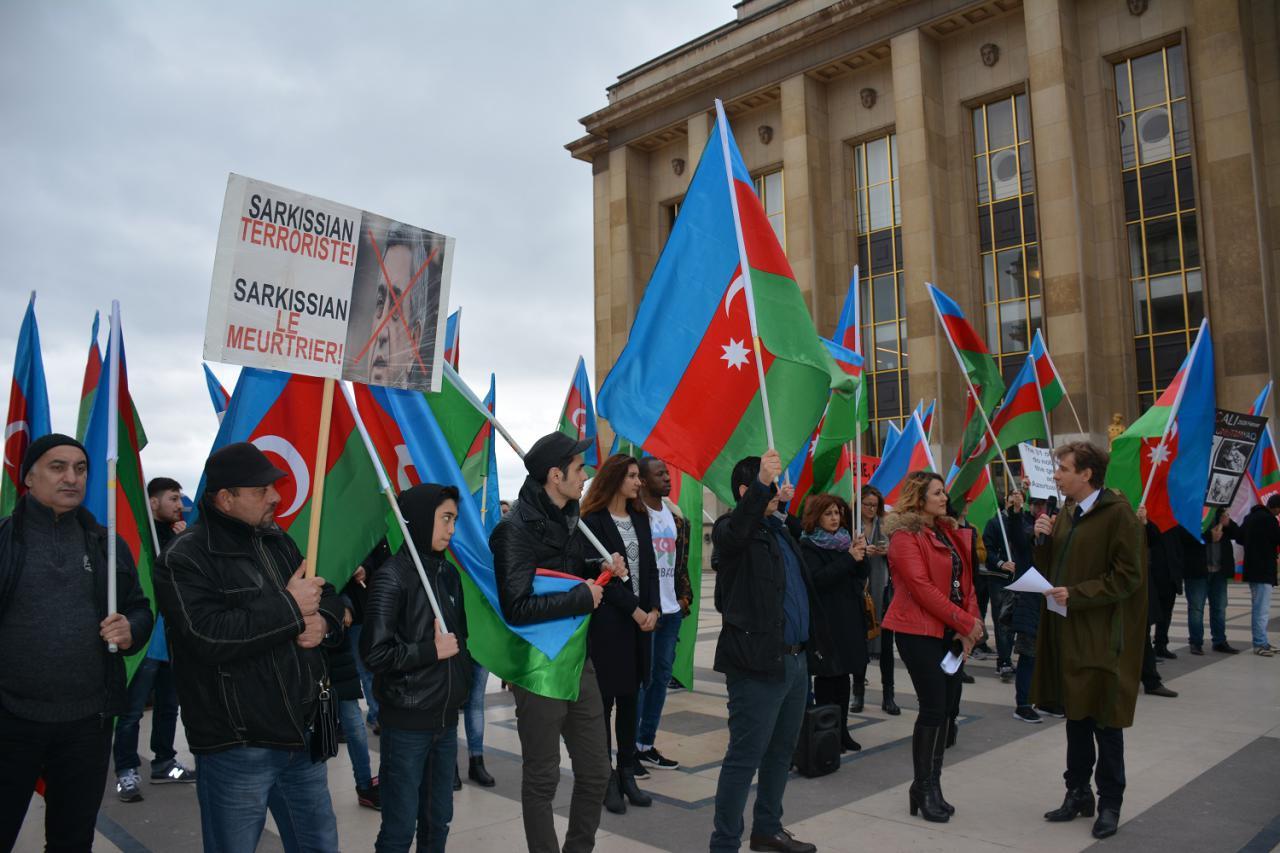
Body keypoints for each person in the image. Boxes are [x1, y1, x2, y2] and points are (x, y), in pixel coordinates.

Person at [154, 442, 345, 853]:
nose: (276, 496)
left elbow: (325, 593)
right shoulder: (184, 557)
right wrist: (291, 608)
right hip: (238, 744)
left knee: (320, 844)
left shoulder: (277, 540)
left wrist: (324, 621)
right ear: (225, 498)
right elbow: (207, 635)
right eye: (262, 490)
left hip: (301, 733)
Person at [0, 434, 153, 852]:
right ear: (29, 476)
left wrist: (130, 630)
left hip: (87, 722)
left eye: (81, 469)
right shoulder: (4, 541)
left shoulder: (106, 544)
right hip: (10, 721)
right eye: (57, 467)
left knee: (72, 840)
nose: (71, 478)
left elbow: (140, 608)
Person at [490, 432, 619, 853]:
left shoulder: (570, 516)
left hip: (578, 662)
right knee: (543, 777)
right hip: (539, 667)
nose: (586, 476)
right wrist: (581, 597)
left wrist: (598, 567)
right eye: (579, 469)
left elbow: (564, 571)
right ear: (555, 474)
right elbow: (517, 607)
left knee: (597, 771)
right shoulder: (513, 531)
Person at [710, 450, 823, 853]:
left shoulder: (778, 530)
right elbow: (734, 532)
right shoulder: (732, 531)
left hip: (794, 660)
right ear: (747, 490)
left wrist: (780, 504)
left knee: (780, 752)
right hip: (756, 662)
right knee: (745, 756)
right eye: (767, 485)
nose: (776, 491)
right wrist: (762, 490)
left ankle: (767, 829)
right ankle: (724, 842)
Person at [1033, 442, 1147, 840]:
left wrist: (1078, 594)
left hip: (1102, 636)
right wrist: (1043, 540)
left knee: (1104, 718)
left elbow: (1128, 577)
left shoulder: (1119, 516)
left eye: (1063, 468)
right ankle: (1077, 792)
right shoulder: (1064, 514)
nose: (1057, 474)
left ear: (1086, 474)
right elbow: (1051, 572)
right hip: (1068, 632)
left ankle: (1110, 802)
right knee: (1075, 717)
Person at [361, 484, 471, 852]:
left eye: (454, 519)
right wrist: (429, 651)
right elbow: (374, 654)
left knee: (437, 820)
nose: (451, 528)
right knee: (399, 827)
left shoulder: (448, 573)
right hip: (407, 722)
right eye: (445, 519)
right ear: (422, 519)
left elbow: (461, 642)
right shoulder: (392, 577)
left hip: (445, 719)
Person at [881, 471, 981, 823]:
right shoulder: (904, 538)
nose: (944, 498)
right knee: (933, 707)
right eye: (937, 493)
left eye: (943, 492)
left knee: (948, 708)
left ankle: (931, 785)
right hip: (918, 632)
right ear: (919, 498)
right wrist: (966, 623)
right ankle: (923, 787)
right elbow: (922, 589)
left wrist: (970, 625)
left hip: (950, 632)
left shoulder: (948, 532)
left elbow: (966, 582)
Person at [581, 454, 658, 814]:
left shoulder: (640, 518)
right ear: (614, 479)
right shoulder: (592, 522)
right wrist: (636, 610)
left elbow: (652, 568)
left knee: (631, 700)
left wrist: (654, 608)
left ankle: (628, 773)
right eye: (631, 476)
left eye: (638, 477)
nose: (638, 482)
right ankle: (608, 779)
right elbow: (603, 579)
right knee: (607, 701)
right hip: (611, 624)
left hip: (641, 624)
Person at [115, 477, 197, 803]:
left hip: (173, 640)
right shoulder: (141, 539)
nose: (180, 506)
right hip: (146, 642)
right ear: (152, 503)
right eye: (174, 499)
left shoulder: (181, 536)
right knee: (131, 711)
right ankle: (126, 771)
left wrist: (185, 543)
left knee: (168, 707)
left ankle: (164, 763)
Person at [634, 456, 693, 774]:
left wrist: (685, 599)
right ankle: (629, 748)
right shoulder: (634, 515)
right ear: (642, 480)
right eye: (660, 474)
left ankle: (646, 744)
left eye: (667, 472)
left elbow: (680, 562)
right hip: (646, 613)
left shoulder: (676, 517)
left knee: (659, 680)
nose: (667, 478)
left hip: (671, 612)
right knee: (641, 682)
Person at [798, 493, 868, 752]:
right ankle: (827, 731)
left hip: (849, 617)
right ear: (816, 516)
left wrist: (861, 553)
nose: (835, 518)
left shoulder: (845, 542)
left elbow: (862, 573)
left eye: (837, 513)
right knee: (828, 677)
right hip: (826, 621)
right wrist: (849, 558)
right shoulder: (808, 546)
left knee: (844, 676)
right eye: (828, 513)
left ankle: (843, 731)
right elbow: (818, 579)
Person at [861, 485, 900, 715]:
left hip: (883, 592)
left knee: (886, 647)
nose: (870, 509)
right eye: (867, 504)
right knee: (858, 645)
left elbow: (899, 554)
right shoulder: (852, 525)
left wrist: (888, 552)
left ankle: (889, 695)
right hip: (860, 593)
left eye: (874, 505)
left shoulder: (886, 526)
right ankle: (858, 691)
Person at [982, 489, 1026, 684]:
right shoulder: (994, 523)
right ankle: (1004, 661)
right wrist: (1001, 563)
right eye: (1012, 500)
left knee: (1015, 621)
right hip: (999, 578)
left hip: (1020, 579)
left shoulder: (1024, 521)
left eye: (1019, 500)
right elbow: (988, 551)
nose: (1015, 503)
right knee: (1001, 622)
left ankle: (1007, 657)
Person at [1136, 506, 1179, 699]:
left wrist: (1145, 522)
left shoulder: (1137, 519)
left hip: (1137, 587)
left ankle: (1151, 680)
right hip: (1110, 587)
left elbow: (1154, 540)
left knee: (1141, 637)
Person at [1234, 495, 1280, 655]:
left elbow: (1239, 538)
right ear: (1275, 507)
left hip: (1252, 570)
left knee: (1258, 608)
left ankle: (1262, 641)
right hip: (1264, 570)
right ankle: (1260, 644)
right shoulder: (1270, 521)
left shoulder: (1250, 517)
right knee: (1262, 609)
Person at [1194, 509, 1239, 654]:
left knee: (1219, 608)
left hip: (1219, 570)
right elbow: (1186, 538)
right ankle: (1196, 642)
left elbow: (1239, 536)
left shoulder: (1220, 512)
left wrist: (1228, 523)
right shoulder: (1195, 509)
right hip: (1198, 570)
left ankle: (1219, 641)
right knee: (1196, 609)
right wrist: (1209, 536)